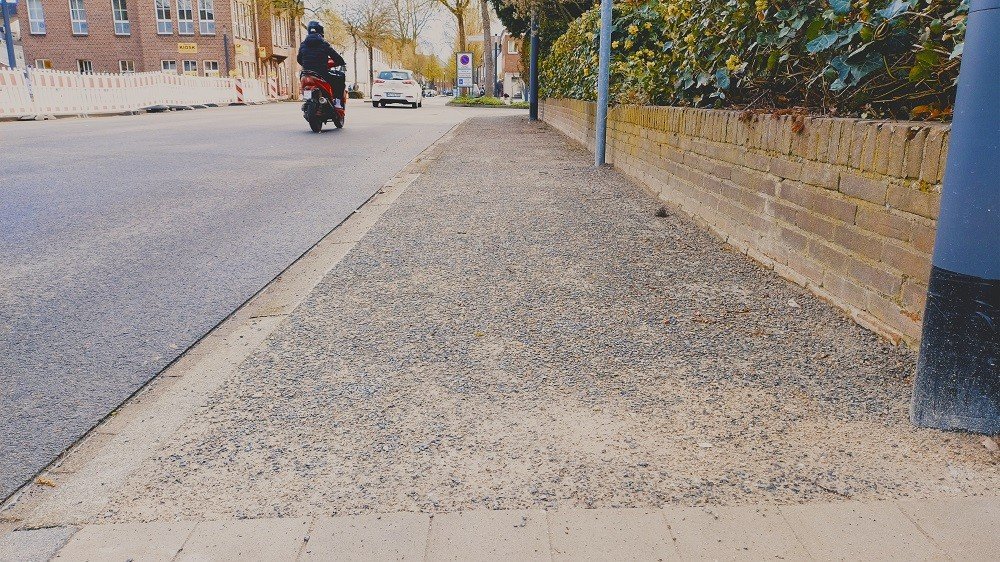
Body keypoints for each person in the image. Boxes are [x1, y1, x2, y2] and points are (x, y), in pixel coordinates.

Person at [297, 21, 347, 107]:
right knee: (340, 77)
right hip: (321, 73)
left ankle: (308, 101)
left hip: (305, 74)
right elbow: (336, 57)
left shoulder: (303, 44)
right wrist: (340, 62)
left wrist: (307, 65)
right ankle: (338, 102)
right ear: (321, 31)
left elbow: (299, 59)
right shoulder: (323, 44)